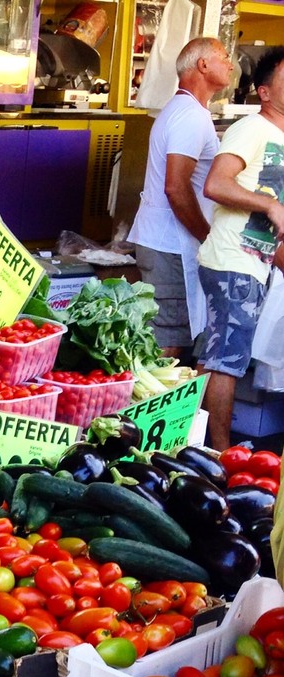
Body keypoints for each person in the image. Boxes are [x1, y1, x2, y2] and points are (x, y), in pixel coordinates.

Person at [197, 45, 284, 451]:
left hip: (252, 264)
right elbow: (216, 184)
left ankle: (195, 445)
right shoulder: (252, 129)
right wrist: (269, 205)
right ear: (264, 92)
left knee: (217, 359)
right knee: (226, 362)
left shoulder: (277, 137)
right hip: (232, 261)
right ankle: (220, 455)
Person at [129, 36, 232, 362]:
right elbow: (176, 187)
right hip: (170, 244)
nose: (230, 65)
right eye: (224, 57)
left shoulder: (187, 111)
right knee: (169, 340)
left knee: (173, 335)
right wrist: (207, 236)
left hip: (166, 241)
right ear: (203, 64)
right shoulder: (190, 116)